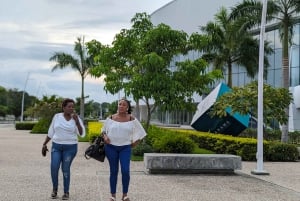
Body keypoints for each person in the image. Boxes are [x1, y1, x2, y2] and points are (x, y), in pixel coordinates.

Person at [101, 98, 147, 201]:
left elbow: (142, 132)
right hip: (111, 147)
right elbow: (103, 130)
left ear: (127, 108)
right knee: (113, 171)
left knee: (125, 171)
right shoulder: (111, 118)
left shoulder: (131, 119)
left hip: (125, 148)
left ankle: (124, 195)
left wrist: (136, 142)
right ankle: (112, 195)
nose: (121, 106)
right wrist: (105, 137)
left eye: (124, 105)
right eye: (120, 104)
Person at [41, 98, 85, 200]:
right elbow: (51, 131)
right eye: (69, 106)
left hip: (70, 148)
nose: (71, 109)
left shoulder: (76, 118)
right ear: (63, 107)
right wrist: (44, 144)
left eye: (73, 107)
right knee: (54, 167)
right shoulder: (57, 117)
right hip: (56, 146)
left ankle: (66, 192)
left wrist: (77, 122)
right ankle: (55, 189)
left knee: (65, 169)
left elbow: (82, 134)